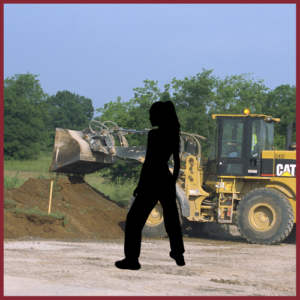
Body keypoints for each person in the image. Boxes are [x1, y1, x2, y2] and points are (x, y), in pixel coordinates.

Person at [115, 101, 185, 270]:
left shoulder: (154, 135)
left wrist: (140, 185)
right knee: (171, 218)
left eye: (152, 114)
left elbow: (150, 163)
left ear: (160, 116)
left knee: (133, 220)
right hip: (166, 178)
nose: (150, 117)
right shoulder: (174, 134)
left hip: (153, 179)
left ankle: (132, 259)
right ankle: (178, 253)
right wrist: (172, 181)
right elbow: (176, 162)